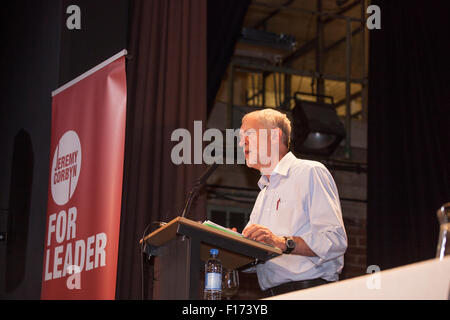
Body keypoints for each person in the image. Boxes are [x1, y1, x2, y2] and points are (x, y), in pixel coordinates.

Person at [238, 108, 347, 297]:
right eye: (240, 138)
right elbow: (259, 261)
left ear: (274, 136)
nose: (241, 143)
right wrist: (234, 247)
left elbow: (334, 240)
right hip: (271, 294)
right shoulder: (263, 195)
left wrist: (282, 243)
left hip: (309, 292)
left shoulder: (310, 172)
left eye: (248, 134)